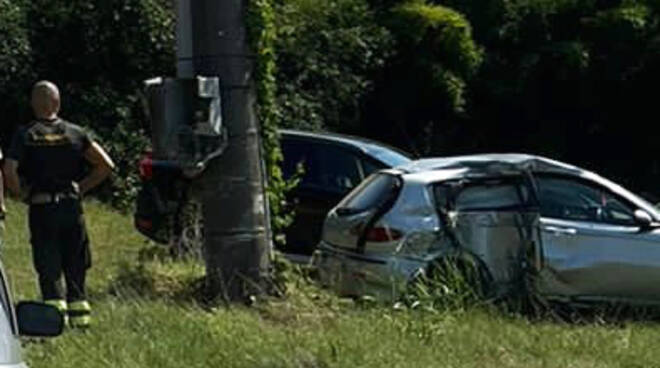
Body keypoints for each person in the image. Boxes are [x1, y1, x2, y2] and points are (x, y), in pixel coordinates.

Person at [3, 81, 114, 328]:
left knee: (48, 266)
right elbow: (106, 165)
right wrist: (81, 188)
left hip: (42, 208)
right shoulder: (75, 133)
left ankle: (53, 324)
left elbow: (9, 170)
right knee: (76, 264)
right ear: (58, 102)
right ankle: (81, 321)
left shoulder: (26, 134)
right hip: (72, 208)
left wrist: (21, 194)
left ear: (33, 104)